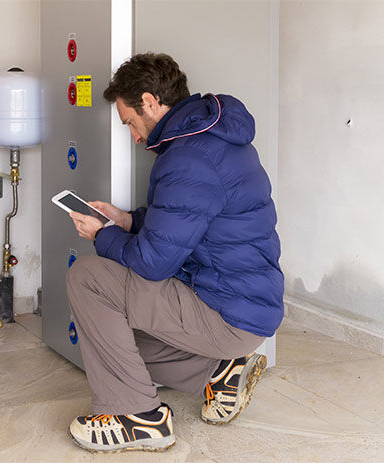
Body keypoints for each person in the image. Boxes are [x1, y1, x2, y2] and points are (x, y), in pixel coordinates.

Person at [65, 53, 284, 453]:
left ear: (150, 102)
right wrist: (127, 220)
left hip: (227, 312)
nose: (133, 136)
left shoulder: (188, 158)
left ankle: (138, 418)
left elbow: (153, 263)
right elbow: (190, 224)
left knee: (89, 277)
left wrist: (102, 236)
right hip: (243, 304)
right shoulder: (209, 139)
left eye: (130, 122)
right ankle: (218, 372)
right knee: (113, 346)